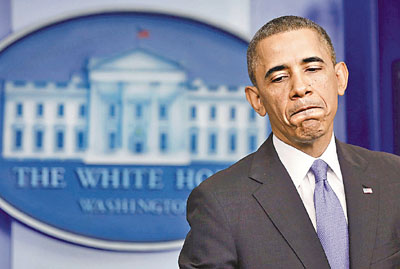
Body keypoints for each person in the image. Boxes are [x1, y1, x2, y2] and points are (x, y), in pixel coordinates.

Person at [178, 15, 400, 268]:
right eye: (279, 77)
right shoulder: (219, 202)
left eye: (313, 69)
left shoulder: (393, 178)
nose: (300, 88)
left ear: (339, 78)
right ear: (257, 100)